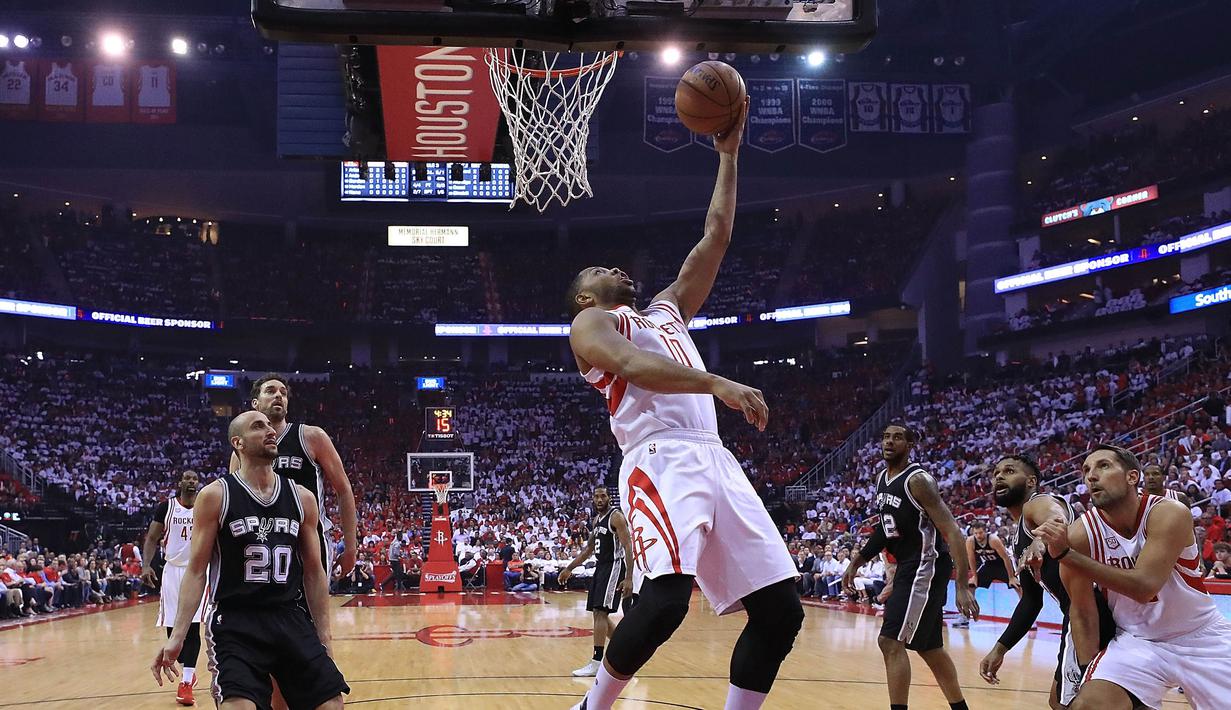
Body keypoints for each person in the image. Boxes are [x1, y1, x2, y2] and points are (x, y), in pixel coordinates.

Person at [566, 98, 803, 710]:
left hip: (715, 459)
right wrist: (716, 383)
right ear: (585, 296)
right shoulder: (592, 324)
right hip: (659, 459)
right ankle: (593, 707)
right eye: (599, 268)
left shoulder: (666, 308)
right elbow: (630, 364)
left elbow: (716, 235)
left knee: (780, 611)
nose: (614, 267)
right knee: (667, 599)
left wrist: (728, 155)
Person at [152, 411, 349, 709]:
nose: (270, 431)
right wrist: (177, 636)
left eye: (270, 426)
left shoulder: (302, 498)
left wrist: (324, 636)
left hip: (289, 615)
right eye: (259, 426)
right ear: (238, 443)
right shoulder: (216, 495)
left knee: (331, 703)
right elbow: (196, 572)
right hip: (235, 620)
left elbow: (313, 572)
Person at [1034, 444, 1231, 710]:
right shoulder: (1080, 535)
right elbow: (1081, 612)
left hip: (1201, 636)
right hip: (1136, 642)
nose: (1091, 475)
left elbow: (1144, 586)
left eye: (1103, 466)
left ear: (1132, 477)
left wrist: (1066, 556)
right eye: (1086, 470)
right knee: (1089, 705)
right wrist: (1088, 674)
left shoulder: (1169, 512)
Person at [842, 423, 979, 710]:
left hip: (925, 564)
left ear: (910, 444)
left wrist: (963, 585)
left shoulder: (918, 480)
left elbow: (953, 531)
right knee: (929, 647)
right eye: (886, 437)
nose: (890, 442)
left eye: (898, 438)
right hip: (909, 564)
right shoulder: (882, 478)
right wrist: (857, 561)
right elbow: (885, 528)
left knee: (889, 641)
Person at [977, 454, 1114, 709]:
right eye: (996, 473)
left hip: (1089, 610)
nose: (999, 477)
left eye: (1008, 471)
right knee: (1067, 700)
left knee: (1072, 703)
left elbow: (1057, 518)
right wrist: (1000, 648)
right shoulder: (1018, 538)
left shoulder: (1038, 503)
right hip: (1078, 614)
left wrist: (1042, 539)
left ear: (1031, 481)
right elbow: (1031, 601)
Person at [231, 374, 357, 580]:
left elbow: (343, 490)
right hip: (262, 543)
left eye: (283, 393)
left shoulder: (311, 436)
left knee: (311, 611)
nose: (279, 396)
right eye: (271, 391)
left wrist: (350, 547)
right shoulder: (242, 449)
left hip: (307, 541)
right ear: (255, 403)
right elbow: (236, 503)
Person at [141, 469, 205, 707]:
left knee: (193, 625)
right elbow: (151, 538)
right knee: (173, 627)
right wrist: (146, 565)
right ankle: (187, 669)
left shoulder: (204, 505)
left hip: (198, 571)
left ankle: (186, 680)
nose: (191, 482)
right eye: (187, 478)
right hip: (172, 570)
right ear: (180, 483)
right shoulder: (166, 508)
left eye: (195, 479)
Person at [558, 486, 635, 678]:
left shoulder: (615, 517)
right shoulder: (596, 520)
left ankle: (597, 661)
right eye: (596, 496)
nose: (599, 499)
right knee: (598, 613)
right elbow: (587, 550)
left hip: (615, 566)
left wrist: (629, 578)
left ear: (609, 498)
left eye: (603, 496)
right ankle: (625, 653)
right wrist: (569, 568)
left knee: (601, 612)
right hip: (601, 568)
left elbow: (628, 546)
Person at [955, 519, 1019, 628]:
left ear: (985, 531)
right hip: (988, 565)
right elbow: (971, 559)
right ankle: (965, 617)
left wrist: (1011, 577)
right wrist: (974, 576)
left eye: (980, 533)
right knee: (970, 586)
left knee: (1018, 586)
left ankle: (1029, 619)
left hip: (1003, 565)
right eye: (975, 533)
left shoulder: (993, 540)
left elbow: (1006, 558)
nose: (978, 535)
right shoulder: (970, 541)